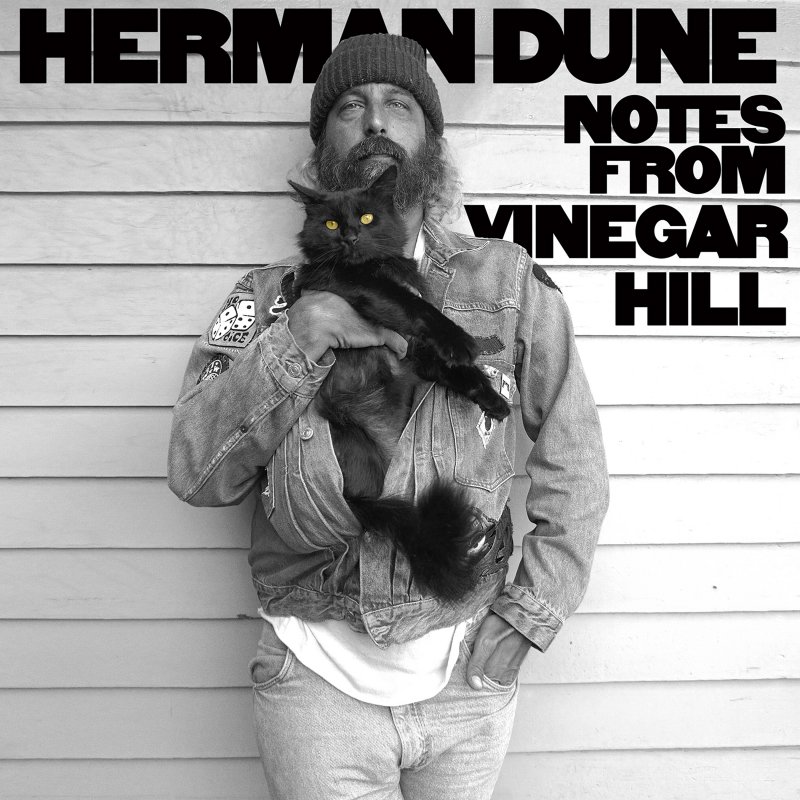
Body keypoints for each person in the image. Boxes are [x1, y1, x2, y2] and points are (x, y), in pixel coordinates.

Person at [168, 33, 609, 800]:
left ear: (432, 143)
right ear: (321, 153)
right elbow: (195, 472)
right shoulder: (264, 299)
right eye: (350, 107)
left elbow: (576, 459)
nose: (375, 120)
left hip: (467, 678)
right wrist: (298, 338)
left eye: (398, 104)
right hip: (313, 682)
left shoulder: (506, 282)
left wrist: (531, 613)